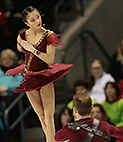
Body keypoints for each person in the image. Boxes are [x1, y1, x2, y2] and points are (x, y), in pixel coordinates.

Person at [5, 6, 73, 142]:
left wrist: (32, 49)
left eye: (38, 16)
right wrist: (23, 45)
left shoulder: (49, 35)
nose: (37, 20)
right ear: (26, 23)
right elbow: (19, 46)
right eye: (32, 19)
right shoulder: (23, 35)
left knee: (48, 116)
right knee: (41, 116)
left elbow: (49, 59)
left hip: (44, 77)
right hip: (29, 78)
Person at [54, 93, 123, 142]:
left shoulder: (69, 128)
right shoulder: (103, 125)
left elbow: (56, 137)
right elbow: (119, 132)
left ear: (75, 110)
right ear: (91, 108)